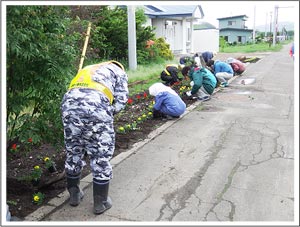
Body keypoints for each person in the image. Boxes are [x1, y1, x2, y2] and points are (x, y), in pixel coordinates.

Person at [61, 60, 128, 215]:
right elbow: (121, 101)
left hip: (69, 105)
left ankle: (74, 195)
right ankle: (101, 202)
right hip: (96, 105)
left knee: (74, 150)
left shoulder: (89, 69)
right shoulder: (119, 72)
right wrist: (106, 115)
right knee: (100, 155)